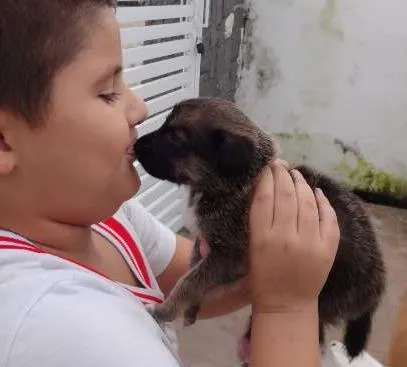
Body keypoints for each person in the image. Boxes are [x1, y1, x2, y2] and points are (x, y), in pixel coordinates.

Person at [0, 1, 340, 366]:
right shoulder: (68, 328)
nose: (140, 107)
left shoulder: (104, 220)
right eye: (108, 91)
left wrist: (277, 261)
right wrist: (287, 307)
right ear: (5, 141)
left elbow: (192, 276)